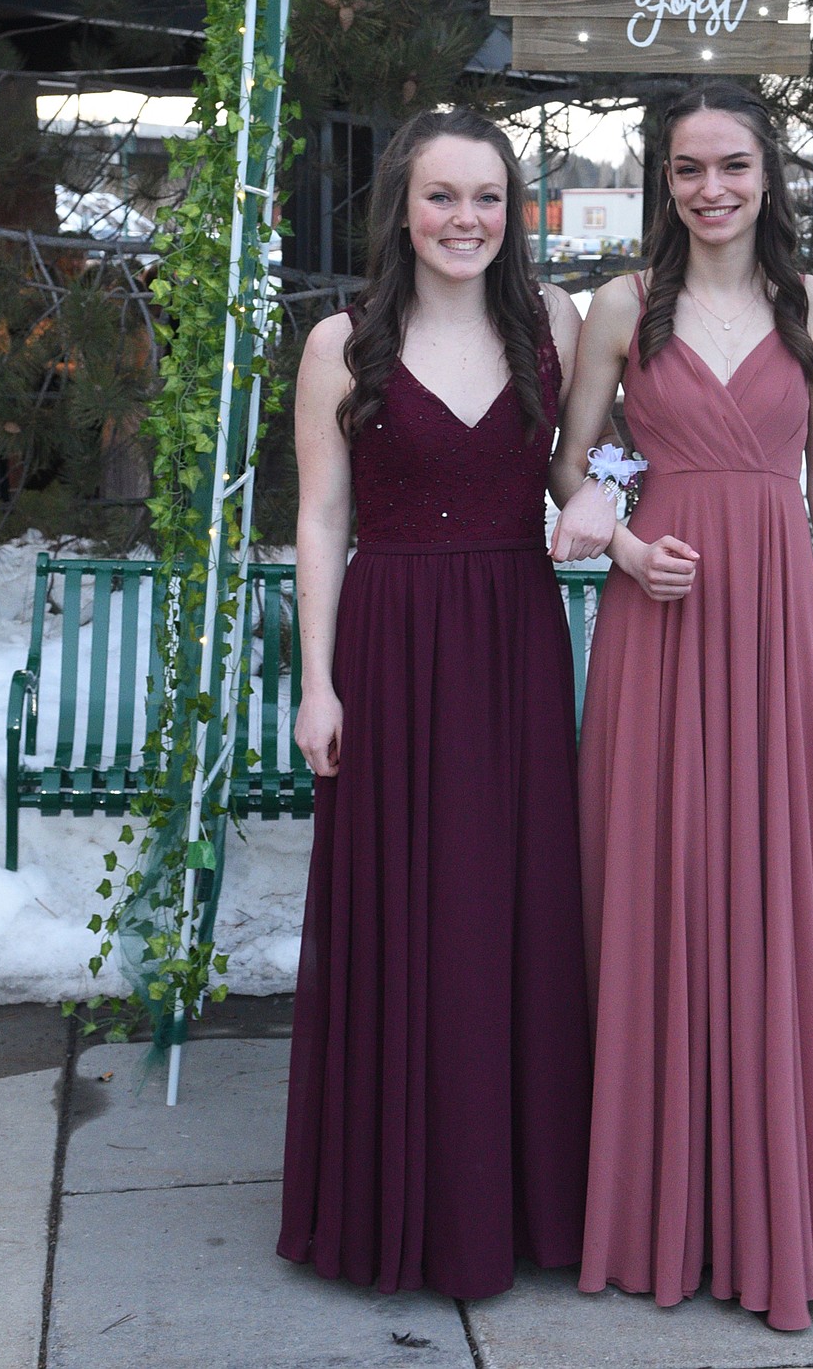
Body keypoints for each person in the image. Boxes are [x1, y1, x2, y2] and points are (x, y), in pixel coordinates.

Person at [549, 80, 813, 1332]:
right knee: (662, 884)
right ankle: (657, 1200)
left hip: (771, 633)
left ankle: (777, 1200)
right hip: (662, 624)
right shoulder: (621, 309)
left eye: (732, 166)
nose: (711, 190)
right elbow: (572, 466)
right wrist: (628, 545)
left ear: (768, 173)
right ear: (664, 180)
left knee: (773, 895)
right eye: (688, 169)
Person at [277, 107, 592, 1302]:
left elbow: (584, 466)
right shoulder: (342, 343)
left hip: (514, 635)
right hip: (393, 642)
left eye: (490, 198)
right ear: (403, 210)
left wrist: (607, 502)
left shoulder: (551, 323)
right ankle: (395, 1203)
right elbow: (319, 519)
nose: (468, 220)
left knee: (511, 906)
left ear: (514, 213)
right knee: (405, 913)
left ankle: (515, 1201)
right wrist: (317, 682)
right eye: (444, 197)